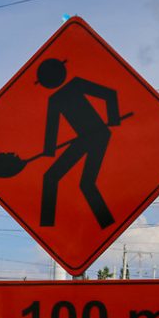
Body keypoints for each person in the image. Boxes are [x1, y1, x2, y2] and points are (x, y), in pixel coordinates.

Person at [36, 58, 121, 228]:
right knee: (52, 178)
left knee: (83, 183)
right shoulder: (55, 99)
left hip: (98, 135)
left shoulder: (75, 85)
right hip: (85, 138)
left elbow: (109, 94)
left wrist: (113, 118)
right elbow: (52, 129)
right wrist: (49, 150)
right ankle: (48, 225)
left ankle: (106, 224)